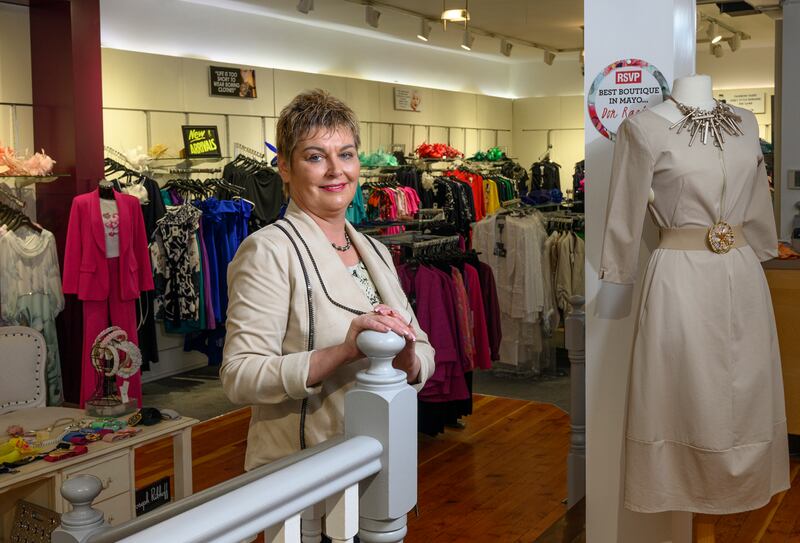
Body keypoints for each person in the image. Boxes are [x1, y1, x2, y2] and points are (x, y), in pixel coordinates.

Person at [221, 89, 436, 471]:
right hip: (306, 473)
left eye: (346, 154)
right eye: (316, 157)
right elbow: (240, 375)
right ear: (285, 168)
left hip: (379, 460)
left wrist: (407, 359)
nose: (336, 170)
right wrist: (343, 352)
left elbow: (424, 349)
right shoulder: (269, 251)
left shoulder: (374, 250)